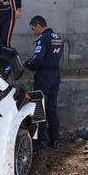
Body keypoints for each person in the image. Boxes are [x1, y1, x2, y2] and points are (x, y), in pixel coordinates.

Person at [25, 16, 62, 149]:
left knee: (39, 107)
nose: (33, 31)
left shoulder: (43, 39)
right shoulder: (57, 37)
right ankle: (55, 140)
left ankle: (40, 141)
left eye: (33, 28)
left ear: (38, 25)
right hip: (55, 75)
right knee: (52, 107)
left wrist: (28, 64)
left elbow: (37, 59)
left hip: (43, 76)